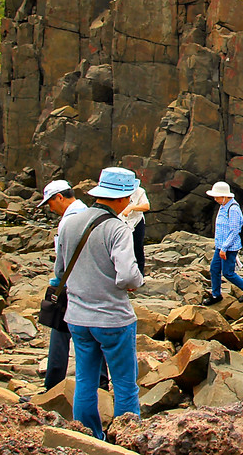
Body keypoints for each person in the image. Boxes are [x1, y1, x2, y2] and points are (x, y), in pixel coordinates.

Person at [55, 167, 144, 441]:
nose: (130, 201)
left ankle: (87, 438)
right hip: (112, 319)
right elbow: (129, 274)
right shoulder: (117, 228)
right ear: (119, 199)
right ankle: (128, 440)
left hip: (78, 318)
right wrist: (133, 283)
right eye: (128, 197)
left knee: (85, 381)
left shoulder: (69, 223)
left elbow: (59, 272)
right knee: (125, 385)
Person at [37, 179, 108, 391]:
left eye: (50, 203)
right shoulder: (90, 214)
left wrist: (57, 283)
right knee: (91, 334)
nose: (50, 208)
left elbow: (62, 261)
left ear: (60, 197)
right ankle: (101, 382)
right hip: (92, 282)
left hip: (72, 285)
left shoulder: (69, 221)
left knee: (59, 332)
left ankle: (53, 385)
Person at [202, 181, 243, 306]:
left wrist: (224, 248)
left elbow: (234, 230)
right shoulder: (223, 206)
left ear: (225, 196)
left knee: (228, 273)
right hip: (221, 246)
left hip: (229, 248)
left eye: (217, 196)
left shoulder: (233, 209)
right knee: (214, 269)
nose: (215, 199)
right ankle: (216, 295)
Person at [119, 180, 150, 274]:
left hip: (136, 221)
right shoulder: (117, 192)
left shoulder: (139, 191)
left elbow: (146, 206)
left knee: (138, 248)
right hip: (120, 221)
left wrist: (131, 207)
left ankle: (139, 274)